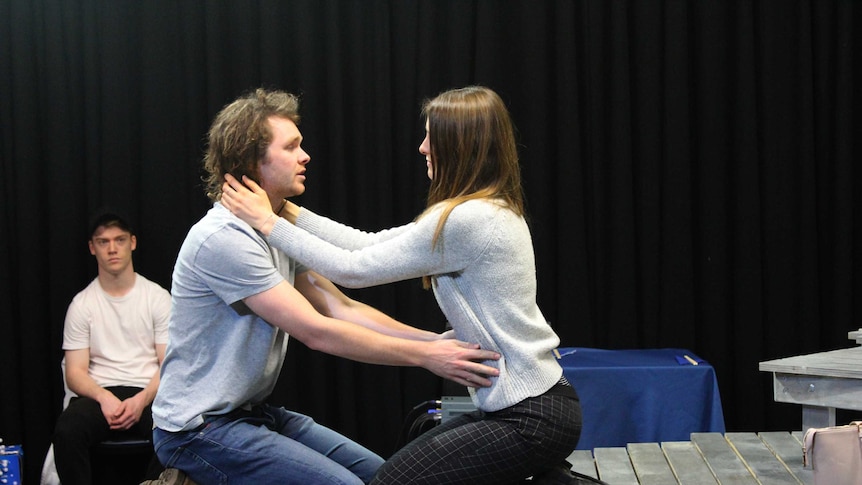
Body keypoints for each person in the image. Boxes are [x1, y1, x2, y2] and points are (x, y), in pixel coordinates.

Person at [221, 85, 584, 485]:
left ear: (460, 144)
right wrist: (288, 211)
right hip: (527, 408)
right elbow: (369, 243)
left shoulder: (468, 220)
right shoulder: (477, 210)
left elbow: (353, 269)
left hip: (529, 415)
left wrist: (269, 222)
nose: (422, 148)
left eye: (432, 137)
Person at [149, 88, 501, 485]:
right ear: (252, 160)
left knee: (388, 478)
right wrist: (426, 357)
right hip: (199, 431)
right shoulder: (224, 238)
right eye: (292, 147)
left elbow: (339, 308)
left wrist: (433, 343)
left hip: (250, 415)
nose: (306, 156)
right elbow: (316, 330)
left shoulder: (276, 226)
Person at [51, 211, 170, 485]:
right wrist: (104, 398)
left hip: (147, 390)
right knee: (67, 430)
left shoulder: (157, 298)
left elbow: (169, 364)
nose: (112, 248)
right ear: (93, 248)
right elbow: (75, 372)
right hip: (99, 394)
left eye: (119, 240)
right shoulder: (82, 305)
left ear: (133, 243)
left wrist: (141, 401)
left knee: (173, 429)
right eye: (103, 242)